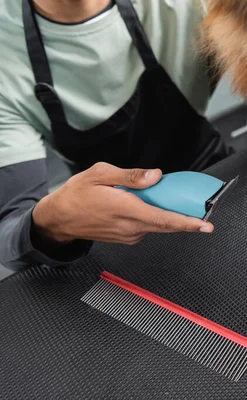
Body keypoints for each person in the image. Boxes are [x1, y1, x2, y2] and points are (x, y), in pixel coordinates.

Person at [0, 0, 233, 271]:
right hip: (115, 233)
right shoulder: (6, 60)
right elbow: (10, 234)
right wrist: (53, 222)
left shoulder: (193, 6)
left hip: (218, 181)